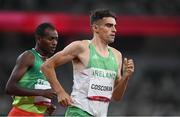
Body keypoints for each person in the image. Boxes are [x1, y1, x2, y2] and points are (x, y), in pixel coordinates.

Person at [41, 9, 134, 117]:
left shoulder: (117, 55)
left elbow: (116, 97)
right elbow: (47, 66)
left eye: (115, 26)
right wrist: (60, 92)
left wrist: (126, 77)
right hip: (79, 112)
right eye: (109, 25)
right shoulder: (82, 47)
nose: (114, 30)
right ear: (95, 28)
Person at [5, 22, 59, 116]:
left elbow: (35, 86)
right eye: (50, 39)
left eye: (56, 39)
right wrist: (41, 93)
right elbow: (10, 88)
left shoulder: (49, 63)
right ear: (39, 39)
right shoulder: (29, 56)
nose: (54, 43)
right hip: (21, 113)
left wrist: (46, 104)